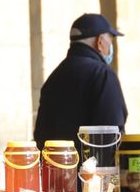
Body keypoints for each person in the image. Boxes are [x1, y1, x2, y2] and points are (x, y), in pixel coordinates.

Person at [33, 13, 128, 149]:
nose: (111, 46)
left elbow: (41, 134)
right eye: (110, 40)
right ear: (100, 42)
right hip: (91, 168)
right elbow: (112, 135)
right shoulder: (103, 74)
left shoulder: (53, 78)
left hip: (55, 166)